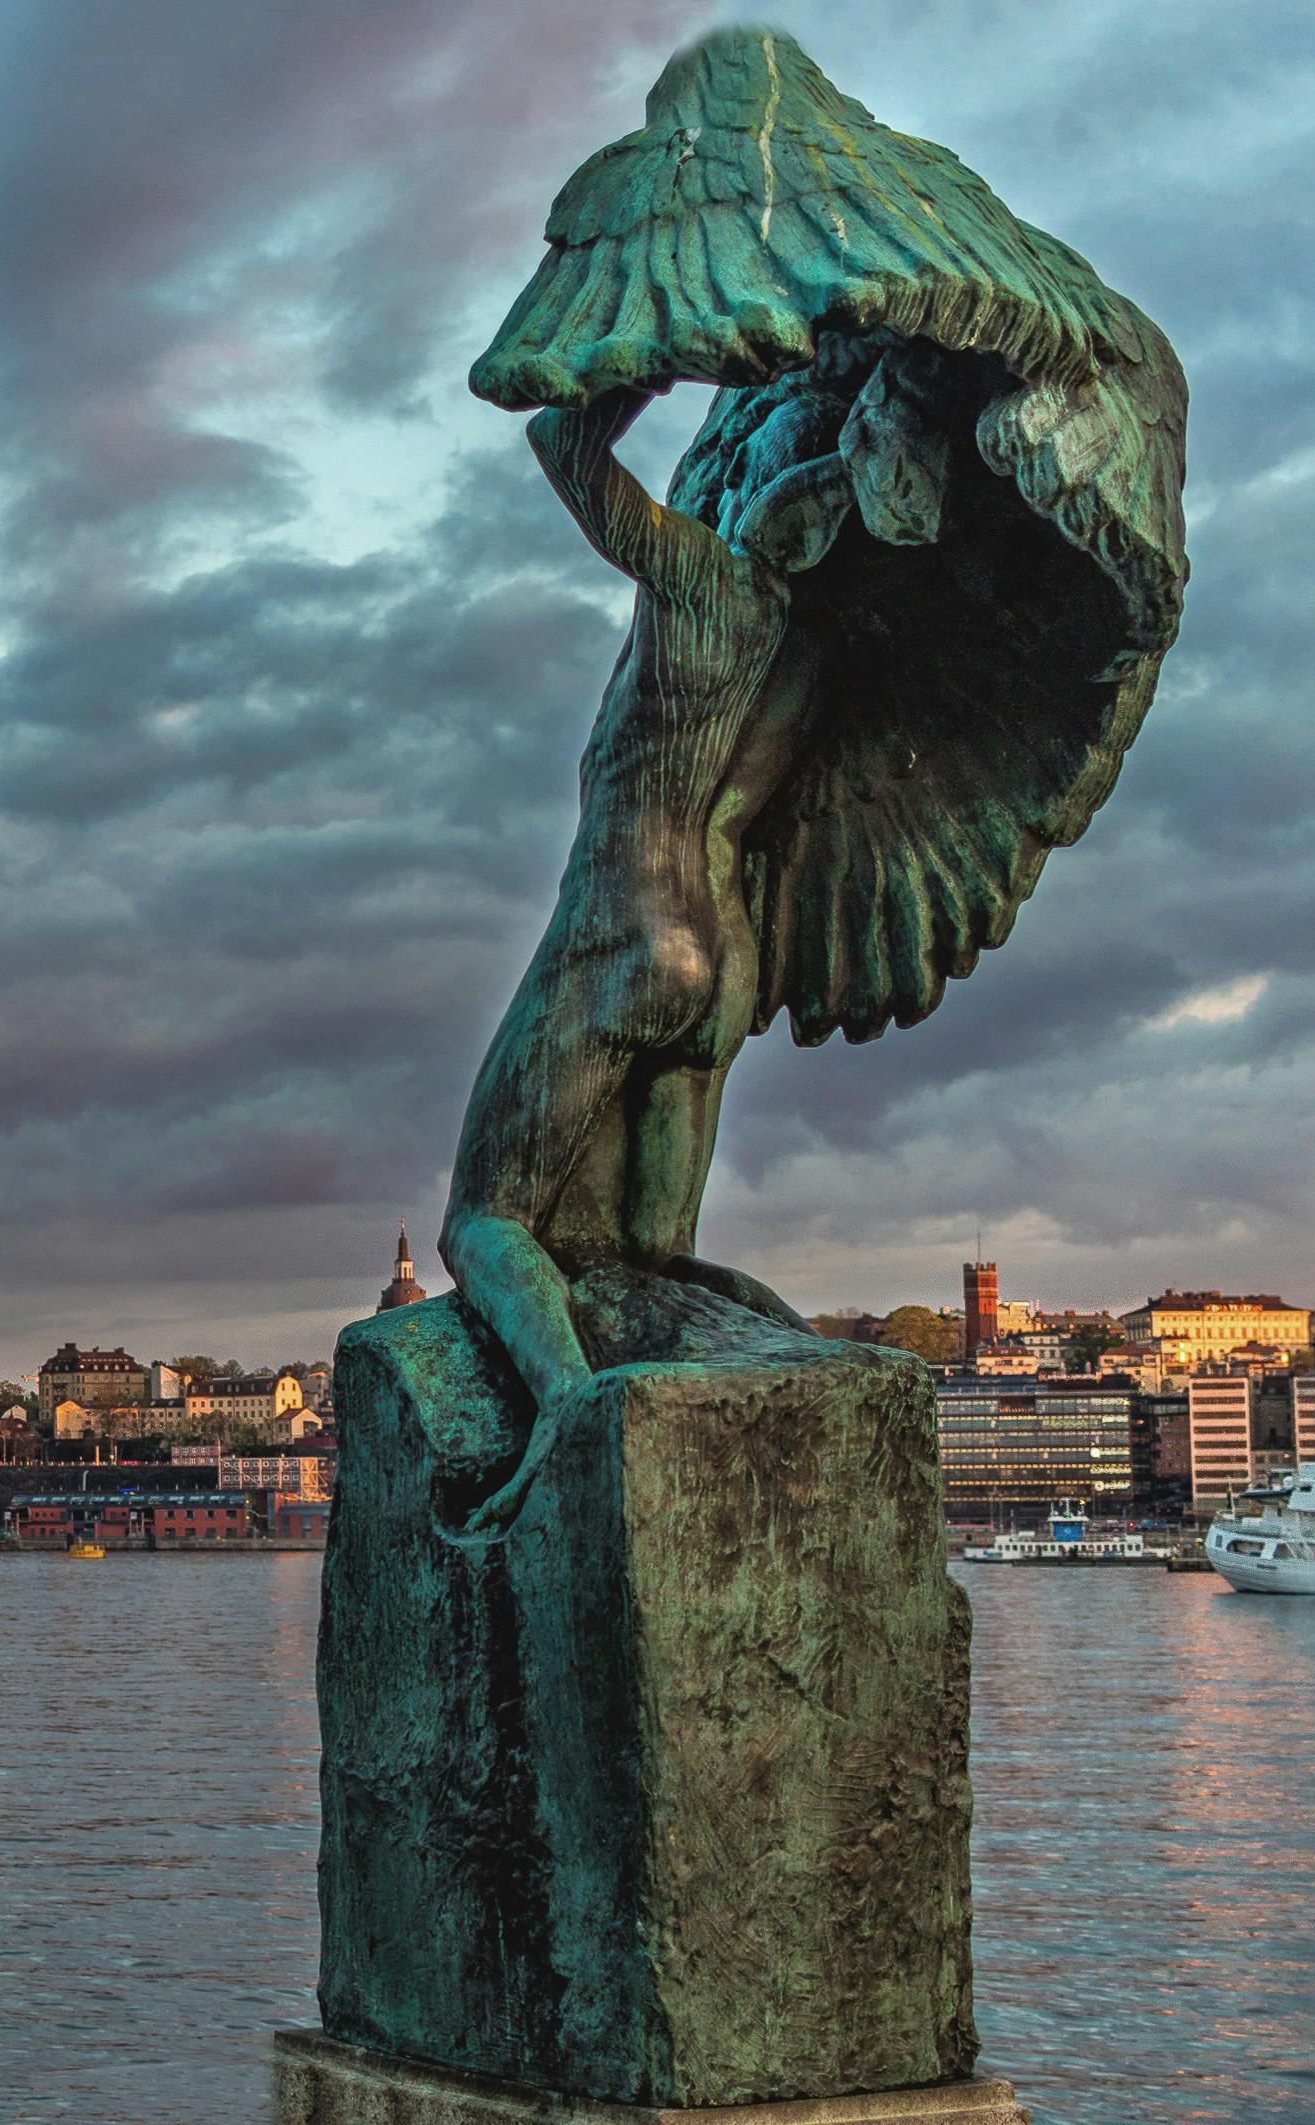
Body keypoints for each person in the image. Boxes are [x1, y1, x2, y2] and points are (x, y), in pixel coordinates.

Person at [437, 378, 856, 1529]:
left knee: (485, 1220)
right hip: (727, 958)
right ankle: (772, 1357)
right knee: (652, 1259)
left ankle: (571, 1419)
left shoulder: (697, 579)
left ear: (765, 495)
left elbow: (558, 444)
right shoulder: (815, 657)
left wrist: (636, 360)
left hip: (628, 922)